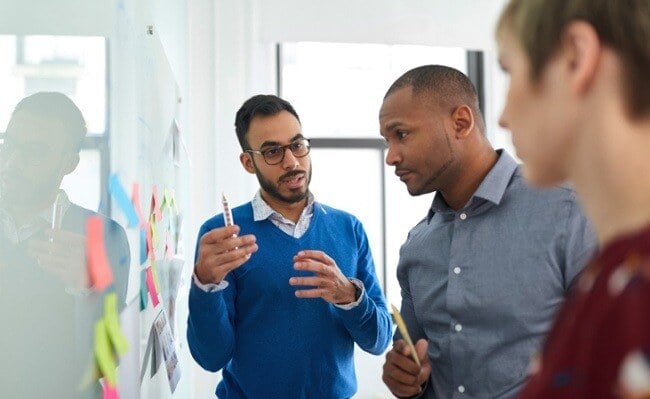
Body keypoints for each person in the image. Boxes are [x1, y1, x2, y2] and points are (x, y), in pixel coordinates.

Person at [378, 65, 597, 398]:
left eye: (402, 134)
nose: (391, 156)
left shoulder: (569, 211)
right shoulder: (416, 246)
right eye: (387, 140)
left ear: (461, 122)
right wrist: (406, 378)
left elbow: (614, 352)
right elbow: (414, 358)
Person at [187, 94, 392, 398]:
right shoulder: (222, 236)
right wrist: (204, 284)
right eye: (272, 151)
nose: (292, 162)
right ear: (248, 162)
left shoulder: (349, 228)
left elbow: (378, 340)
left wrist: (348, 295)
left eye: (297, 145)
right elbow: (211, 357)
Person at [496, 1, 650, 398]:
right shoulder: (612, 270)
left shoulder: (636, 289)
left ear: (575, 58)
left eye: (509, 71)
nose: (503, 115)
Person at [0, 92, 130, 398]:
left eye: (34, 152)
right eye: (9, 145)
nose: (13, 163)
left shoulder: (104, 237)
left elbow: (107, 360)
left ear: (68, 163)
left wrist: (88, 290)